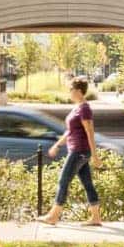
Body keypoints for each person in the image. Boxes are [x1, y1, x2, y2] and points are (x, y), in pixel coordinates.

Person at [38, 76, 102, 226]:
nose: (70, 92)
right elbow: (70, 131)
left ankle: (53, 216)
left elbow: (90, 132)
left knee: (63, 180)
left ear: (79, 91)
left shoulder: (85, 109)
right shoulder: (77, 107)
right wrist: (57, 145)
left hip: (79, 151)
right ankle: (96, 217)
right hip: (78, 150)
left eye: (71, 89)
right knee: (87, 183)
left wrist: (95, 155)